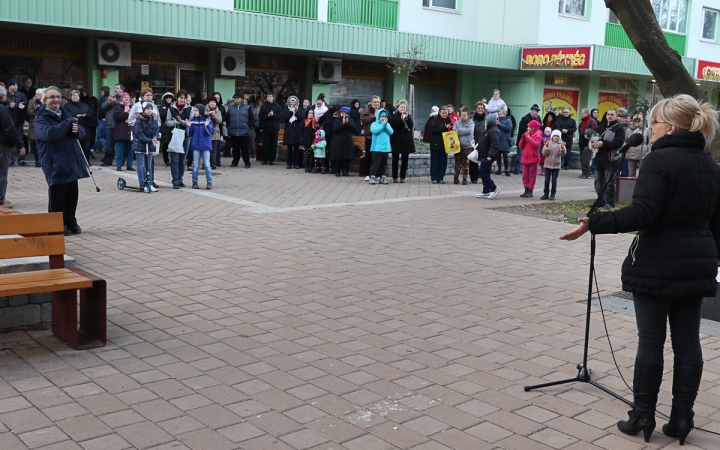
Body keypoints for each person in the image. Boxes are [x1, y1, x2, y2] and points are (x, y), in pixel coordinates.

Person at [560, 94, 720, 446]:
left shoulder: (659, 162)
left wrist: (596, 222)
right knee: (688, 342)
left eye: (656, 122)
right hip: (697, 263)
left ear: (671, 127)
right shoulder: (711, 166)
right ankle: (681, 419)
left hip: (657, 263)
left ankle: (642, 416)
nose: (651, 128)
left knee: (651, 341)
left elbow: (643, 214)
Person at [34, 86, 88, 235]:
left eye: (58, 97)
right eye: (52, 97)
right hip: (54, 161)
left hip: (70, 160)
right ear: (45, 100)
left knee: (72, 194)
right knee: (58, 195)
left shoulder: (64, 113)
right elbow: (50, 134)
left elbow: (81, 131)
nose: (56, 100)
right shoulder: (41, 117)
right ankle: (56, 225)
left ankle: (70, 221)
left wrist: (78, 130)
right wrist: (68, 123)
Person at [591, 108, 625, 209]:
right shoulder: (600, 127)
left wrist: (603, 144)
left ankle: (610, 203)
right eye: (608, 114)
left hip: (611, 159)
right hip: (599, 159)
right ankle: (601, 201)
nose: (609, 116)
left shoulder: (619, 129)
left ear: (616, 116)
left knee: (609, 183)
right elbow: (594, 138)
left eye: (612, 114)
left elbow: (618, 143)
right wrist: (593, 143)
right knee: (598, 182)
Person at [0, 87, 26, 208]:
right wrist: (19, 145)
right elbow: (10, 129)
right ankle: (1, 200)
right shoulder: (3, 110)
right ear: (3, 97)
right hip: (2, 145)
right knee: (1, 173)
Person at [64, 90, 98, 164]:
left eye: (76, 95)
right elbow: (66, 114)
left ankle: (86, 161)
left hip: (86, 129)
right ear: (70, 97)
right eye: (73, 95)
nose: (75, 97)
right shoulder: (67, 106)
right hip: (73, 129)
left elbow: (91, 114)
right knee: (75, 147)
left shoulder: (85, 105)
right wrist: (76, 115)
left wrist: (85, 115)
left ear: (79, 97)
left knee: (86, 147)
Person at [132, 102, 160, 192]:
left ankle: (150, 183)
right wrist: (149, 140)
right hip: (140, 145)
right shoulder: (139, 121)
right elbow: (139, 134)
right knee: (141, 165)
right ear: (144, 110)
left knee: (149, 166)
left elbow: (156, 130)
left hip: (150, 144)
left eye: (150, 109)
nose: (149, 111)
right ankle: (142, 184)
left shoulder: (154, 119)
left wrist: (155, 138)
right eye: (147, 109)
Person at [186, 104, 214, 190]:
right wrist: (189, 126)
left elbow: (211, 133)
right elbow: (189, 134)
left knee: (206, 164)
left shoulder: (207, 119)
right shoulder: (192, 120)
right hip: (195, 146)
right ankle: (195, 182)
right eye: (194, 110)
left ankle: (209, 182)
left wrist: (206, 126)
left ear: (201, 111)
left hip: (205, 145)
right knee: (195, 165)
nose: (195, 112)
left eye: (196, 110)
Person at [169, 89, 193, 188]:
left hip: (186, 136)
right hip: (174, 135)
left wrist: (182, 122)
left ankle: (180, 179)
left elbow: (190, 123)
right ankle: (175, 181)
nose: (182, 100)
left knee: (182, 160)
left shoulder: (190, 108)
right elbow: (167, 122)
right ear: (177, 98)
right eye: (180, 98)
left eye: (184, 98)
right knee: (174, 159)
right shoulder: (171, 108)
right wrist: (174, 122)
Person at [475, 113, 502, 199]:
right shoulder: (489, 130)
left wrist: (491, 155)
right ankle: (486, 190)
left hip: (488, 155)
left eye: (486, 121)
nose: (485, 122)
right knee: (484, 172)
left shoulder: (493, 130)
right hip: (484, 154)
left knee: (483, 172)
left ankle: (494, 187)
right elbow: (484, 141)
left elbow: (495, 144)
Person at [389, 99, 415, 183]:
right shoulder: (393, 116)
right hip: (396, 140)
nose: (403, 108)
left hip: (406, 140)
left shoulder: (408, 116)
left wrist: (407, 118)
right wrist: (400, 119)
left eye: (404, 107)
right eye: (401, 107)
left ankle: (403, 177)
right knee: (395, 159)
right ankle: (395, 177)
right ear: (397, 108)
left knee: (405, 160)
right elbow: (393, 125)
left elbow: (411, 125)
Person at [100, 83, 126, 167]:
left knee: (121, 145)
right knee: (109, 144)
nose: (115, 90)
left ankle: (121, 162)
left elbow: (125, 106)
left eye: (117, 88)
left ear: (122, 89)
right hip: (110, 124)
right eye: (114, 88)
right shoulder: (111, 97)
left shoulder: (125, 97)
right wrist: (108, 102)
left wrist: (115, 102)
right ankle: (107, 161)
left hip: (121, 125)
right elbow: (103, 107)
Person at [227, 91, 254, 169]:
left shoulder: (247, 107)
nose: (237, 99)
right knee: (235, 149)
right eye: (235, 98)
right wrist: (229, 127)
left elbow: (251, 118)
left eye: (238, 98)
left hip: (244, 132)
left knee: (245, 149)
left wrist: (247, 126)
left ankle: (247, 163)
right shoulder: (230, 108)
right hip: (234, 131)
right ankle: (235, 162)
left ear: (242, 99)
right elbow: (228, 119)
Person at [517, 119, 542, 198]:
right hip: (525, 157)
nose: (527, 128)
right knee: (525, 175)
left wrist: (528, 138)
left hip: (533, 158)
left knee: (532, 176)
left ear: (533, 128)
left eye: (529, 127)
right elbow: (521, 146)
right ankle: (526, 189)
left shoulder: (538, 135)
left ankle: (530, 190)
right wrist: (523, 138)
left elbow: (536, 145)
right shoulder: (527, 134)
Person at [5, 78, 27, 166]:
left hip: (18, 121)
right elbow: (2, 106)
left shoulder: (21, 95)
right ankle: (10, 159)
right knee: (8, 139)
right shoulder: (4, 95)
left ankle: (21, 159)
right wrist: (9, 106)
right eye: (13, 85)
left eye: (16, 85)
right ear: (9, 86)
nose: (16, 87)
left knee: (20, 139)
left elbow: (25, 103)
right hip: (8, 121)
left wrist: (23, 105)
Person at [369, 107, 393, 185]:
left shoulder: (387, 124)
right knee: (375, 164)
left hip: (385, 148)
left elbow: (391, 132)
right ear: (378, 117)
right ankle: (372, 177)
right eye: (382, 116)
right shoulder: (374, 124)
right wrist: (382, 124)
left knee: (384, 164)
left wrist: (385, 125)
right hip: (376, 148)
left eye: (385, 116)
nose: (383, 118)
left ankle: (382, 178)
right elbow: (375, 131)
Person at [331, 106, 358, 177]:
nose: (344, 115)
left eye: (346, 113)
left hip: (347, 140)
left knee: (347, 157)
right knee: (338, 157)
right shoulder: (336, 120)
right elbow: (335, 129)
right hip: (338, 141)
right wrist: (342, 124)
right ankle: (337, 171)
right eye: (343, 113)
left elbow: (354, 128)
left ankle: (345, 171)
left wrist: (348, 123)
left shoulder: (350, 120)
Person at [541, 130, 566, 200]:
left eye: (558, 136)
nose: (556, 137)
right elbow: (544, 153)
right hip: (547, 164)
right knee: (546, 180)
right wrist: (546, 147)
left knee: (554, 180)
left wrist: (562, 149)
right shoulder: (548, 143)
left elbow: (563, 154)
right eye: (554, 136)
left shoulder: (561, 144)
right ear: (552, 136)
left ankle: (552, 194)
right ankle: (546, 193)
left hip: (556, 165)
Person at [515, 104, 541, 175]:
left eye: (537, 112)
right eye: (536, 112)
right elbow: (522, 129)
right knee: (520, 155)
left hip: (532, 141)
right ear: (532, 112)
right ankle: (517, 169)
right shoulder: (525, 118)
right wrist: (529, 133)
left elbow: (539, 128)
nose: (537, 114)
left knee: (528, 156)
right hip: (523, 140)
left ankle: (524, 169)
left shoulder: (538, 118)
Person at [113, 92, 134, 171]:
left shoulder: (132, 107)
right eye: (124, 97)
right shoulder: (117, 107)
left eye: (127, 97)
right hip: (120, 132)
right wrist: (126, 113)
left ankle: (129, 165)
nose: (126, 98)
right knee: (120, 150)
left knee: (130, 150)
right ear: (121, 98)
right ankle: (119, 165)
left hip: (130, 131)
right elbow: (116, 118)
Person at [452, 107, 474, 185]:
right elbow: (454, 132)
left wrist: (459, 130)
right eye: (461, 115)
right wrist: (461, 131)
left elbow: (470, 131)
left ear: (468, 116)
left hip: (467, 146)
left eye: (464, 115)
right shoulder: (456, 123)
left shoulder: (471, 123)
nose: (462, 117)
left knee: (465, 163)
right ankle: (456, 177)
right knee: (457, 163)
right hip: (457, 146)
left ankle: (465, 178)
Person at [361, 96, 381, 180]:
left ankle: (377, 174)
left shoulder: (382, 111)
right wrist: (374, 116)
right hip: (369, 136)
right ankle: (367, 174)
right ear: (371, 103)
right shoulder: (366, 111)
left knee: (378, 156)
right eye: (375, 102)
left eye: (378, 102)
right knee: (369, 155)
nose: (376, 104)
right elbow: (363, 119)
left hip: (379, 137)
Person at [259, 93, 282, 165]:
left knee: (273, 144)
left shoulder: (277, 106)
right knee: (265, 144)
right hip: (265, 127)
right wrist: (267, 115)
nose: (269, 98)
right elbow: (260, 116)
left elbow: (280, 116)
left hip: (274, 127)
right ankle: (264, 159)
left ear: (273, 98)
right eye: (268, 96)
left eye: (270, 96)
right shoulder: (263, 106)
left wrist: (273, 115)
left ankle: (271, 159)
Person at [282, 96, 304, 169]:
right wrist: (291, 111)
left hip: (297, 131)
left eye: (294, 102)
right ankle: (289, 164)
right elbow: (284, 118)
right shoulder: (286, 109)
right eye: (291, 102)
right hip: (289, 131)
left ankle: (296, 164)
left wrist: (296, 112)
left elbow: (301, 118)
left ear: (296, 102)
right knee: (289, 149)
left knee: (296, 149)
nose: (292, 103)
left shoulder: (299, 109)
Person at [578, 108, 597, 179]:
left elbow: (594, 131)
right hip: (582, 143)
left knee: (586, 158)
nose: (581, 115)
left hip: (588, 143)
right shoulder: (582, 122)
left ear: (586, 113)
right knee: (582, 159)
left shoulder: (592, 121)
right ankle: (583, 172)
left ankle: (586, 173)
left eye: (582, 114)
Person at [26, 89, 43, 168]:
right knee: (36, 144)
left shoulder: (45, 102)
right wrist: (38, 110)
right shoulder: (31, 102)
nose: (36, 96)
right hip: (34, 125)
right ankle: (37, 160)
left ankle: (43, 160)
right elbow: (29, 112)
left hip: (44, 125)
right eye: (36, 94)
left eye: (38, 94)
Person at [205, 98, 223, 170]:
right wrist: (208, 114)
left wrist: (213, 115)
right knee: (206, 149)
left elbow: (219, 121)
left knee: (214, 149)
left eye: (214, 102)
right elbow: (202, 118)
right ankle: (206, 163)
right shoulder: (205, 110)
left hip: (215, 132)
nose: (212, 103)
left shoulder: (218, 111)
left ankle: (213, 163)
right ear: (208, 103)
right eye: (211, 102)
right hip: (206, 132)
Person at [471, 102, 487, 183]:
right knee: (473, 160)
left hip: (484, 143)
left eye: (482, 108)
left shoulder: (486, 119)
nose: (480, 109)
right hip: (474, 142)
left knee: (484, 160)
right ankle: (474, 177)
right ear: (476, 109)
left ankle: (483, 175)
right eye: (478, 108)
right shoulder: (472, 119)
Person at [158, 93, 175, 166]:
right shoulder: (162, 107)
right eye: (167, 98)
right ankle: (166, 160)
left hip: (172, 127)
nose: (169, 99)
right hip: (165, 128)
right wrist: (168, 110)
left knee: (173, 144)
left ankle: (173, 159)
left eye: (170, 98)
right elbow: (161, 115)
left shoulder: (174, 106)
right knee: (165, 145)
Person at [496, 110, 513, 176]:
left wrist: (499, 125)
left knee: (505, 155)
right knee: (498, 155)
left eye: (500, 114)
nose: (499, 115)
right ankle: (499, 169)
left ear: (504, 114)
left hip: (505, 139)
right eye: (498, 114)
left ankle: (506, 169)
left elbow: (508, 128)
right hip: (498, 139)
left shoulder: (508, 120)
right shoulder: (496, 120)